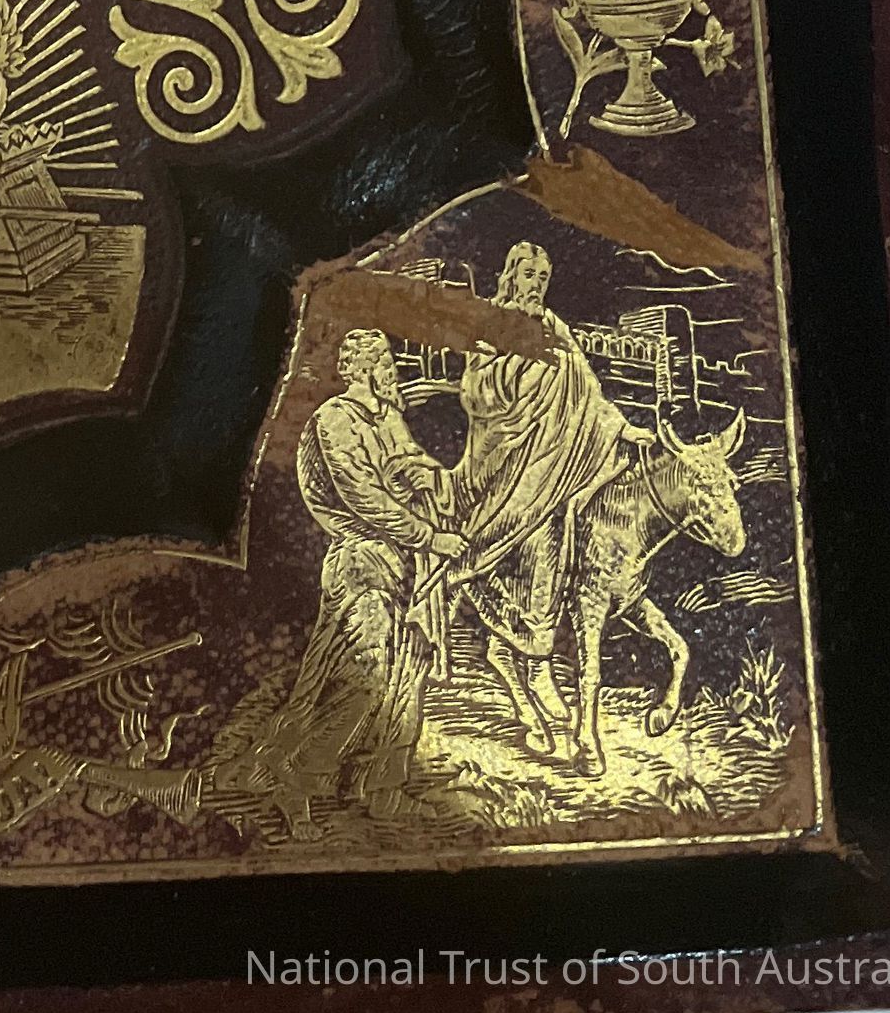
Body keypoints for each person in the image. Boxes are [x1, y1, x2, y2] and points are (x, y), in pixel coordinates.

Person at [267, 328, 462, 823]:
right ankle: (297, 780)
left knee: (409, 677)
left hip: (407, 565)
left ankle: (383, 787)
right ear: (363, 369)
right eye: (384, 364)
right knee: (366, 675)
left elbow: (414, 464)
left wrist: (434, 479)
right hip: (361, 563)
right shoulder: (335, 419)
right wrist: (429, 536)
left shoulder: (388, 417)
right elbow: (363, 496)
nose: (392, 373)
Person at [453, 238, 628, 755]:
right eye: (529, 275)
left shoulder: (555, 327)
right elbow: (475, 392)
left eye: (544, 278)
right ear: (511, 276)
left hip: (553, 464)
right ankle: (529, 660)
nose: (537, 285)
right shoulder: (492, 323)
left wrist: (621, 429)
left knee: (557, 541)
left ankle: (536, 660)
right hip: (503, 463)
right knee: (524, 544)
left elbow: (589, 389)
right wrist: (521, 365)